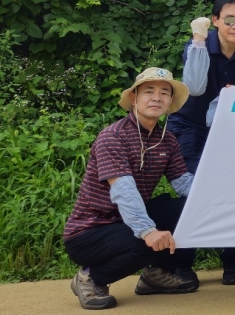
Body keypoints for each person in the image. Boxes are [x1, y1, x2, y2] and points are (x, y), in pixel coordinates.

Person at [64, 68, 197, 310]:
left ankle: (156, 275)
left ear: (170, 101)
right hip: (91, 232)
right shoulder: (113, 137)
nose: (156, 97)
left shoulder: (167, 140)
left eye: (164, 93)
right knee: (148, 242)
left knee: (188, 210)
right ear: (134, 98)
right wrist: (148, 231)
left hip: (126, 223)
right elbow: (124, 191)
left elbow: (184, 184)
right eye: (149, 91)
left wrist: (219, 199)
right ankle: (91, 278)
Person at [170, 0, 235, 286]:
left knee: (234, 189)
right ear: (215, 20)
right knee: (192, 190)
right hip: (190, 125)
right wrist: (198, 39)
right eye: (229, 19)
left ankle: (234, 258)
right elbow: (194, 87)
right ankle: (182, 263)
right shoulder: (198, 44)